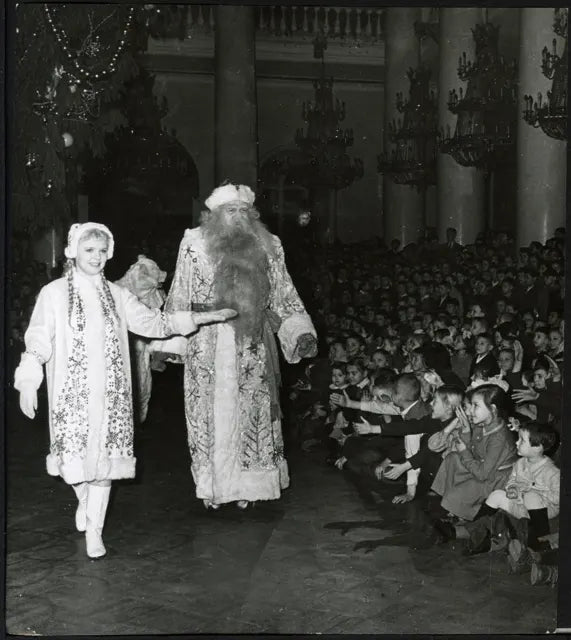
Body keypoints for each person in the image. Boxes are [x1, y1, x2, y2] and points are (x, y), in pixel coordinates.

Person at [13, 223, 235, 559]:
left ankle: (95, 531)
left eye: (102, 251)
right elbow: (39, 338)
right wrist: (28, 379)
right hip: (71, 397)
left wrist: (201, 318)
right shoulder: (54, 293)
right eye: (90, 250)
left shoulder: (117, 296)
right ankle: (85, 502)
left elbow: (154, 323)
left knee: (105, 467)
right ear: (73, 252)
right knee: (75, 464)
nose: (97, 257)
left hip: (112, 395)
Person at [152, 183, 317, 510]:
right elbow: (180, 293)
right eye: (231, 210)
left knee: (252, 416)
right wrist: (168, 341)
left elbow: (284, 295)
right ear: (214, 215)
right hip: (206, 342)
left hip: (253, 344)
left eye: (244, 211)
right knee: (208, 417)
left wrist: (300, 331)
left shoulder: (270, 245)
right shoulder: (194, 244)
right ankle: (214, 489)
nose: (239, 216)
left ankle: (252, 489)